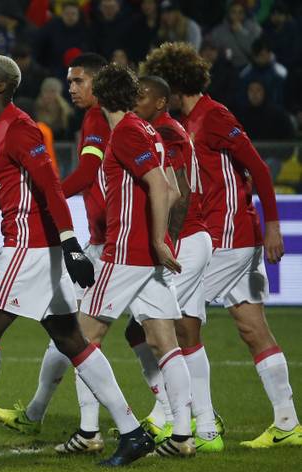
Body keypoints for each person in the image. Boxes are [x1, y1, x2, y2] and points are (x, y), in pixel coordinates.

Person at [0, 55, 153, 467]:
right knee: (72, 340)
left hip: (27, 247)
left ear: (0, 86)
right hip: (35, 249)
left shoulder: (20, 130)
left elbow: (51, 186)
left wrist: (71, 244)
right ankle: (132, 431)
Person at [143, 42, 302, 447]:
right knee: (252, 328)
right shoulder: (185, 121)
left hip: (228, 237)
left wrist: (273, 227)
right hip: (220, 237)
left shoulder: (213, 117)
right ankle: (286, 422)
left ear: (177, 85)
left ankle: (190, 419)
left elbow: (260, 170)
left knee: (173, 321)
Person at [78, 62, 196, 457]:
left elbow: (161, 187)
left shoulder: (126, 132)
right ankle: (182, 436)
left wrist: (159, 240)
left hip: (127, 253)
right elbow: (175, 190)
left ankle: (124, 429)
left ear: (100, 95)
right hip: (146, 258)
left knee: (81, 339)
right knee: (165, 343)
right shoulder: (146, 129)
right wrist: (158, 242)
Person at [133, 74, 224, 451]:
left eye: (142, 96)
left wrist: (163, 242)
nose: (135, 100)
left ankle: (175, 417)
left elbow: (180, 193)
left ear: (159, 102)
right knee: (184, 333)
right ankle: (202, 426)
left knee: (155, 332)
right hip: (189, 239)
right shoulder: (160, 129)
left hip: (183, 242)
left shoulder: (166, 134)